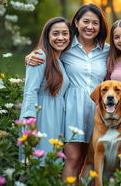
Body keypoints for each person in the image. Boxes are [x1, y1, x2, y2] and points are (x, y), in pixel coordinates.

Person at [25, 4, 109, 179]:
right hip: (72, 110)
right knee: (73, 158)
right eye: (85, 21)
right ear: (76, 22)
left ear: (100, 26)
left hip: (96, 110)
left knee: (92, 160)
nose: (90, 26)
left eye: (95, 23)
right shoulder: (66, 46)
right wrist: (30, 57)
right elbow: (47, 52)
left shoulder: (107, 50)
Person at [19, 17, 71, 163]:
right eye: (55, 33)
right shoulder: (40, 56)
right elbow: (30, 91)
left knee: (50, 165)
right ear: (47, 36)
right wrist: (30, 123)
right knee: (38, 164)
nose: (61, 37)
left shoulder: (60, 60)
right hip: (40, 118)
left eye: (65, 33)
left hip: (56, 118)